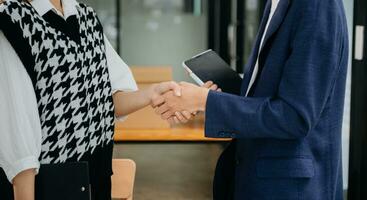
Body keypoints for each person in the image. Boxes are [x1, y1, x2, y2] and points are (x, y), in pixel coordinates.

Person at [0, 0, 213, 199]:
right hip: (47, 185)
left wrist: (153, 93)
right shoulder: (11, 20)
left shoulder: (86, 17)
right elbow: (17, 132)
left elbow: (110, 100)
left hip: (96, 179)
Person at [154, 0, 349, 199]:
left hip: (289, 189)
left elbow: (294, 116)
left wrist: (205, 101)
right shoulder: (275, 4)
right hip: (259, 179)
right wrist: (219, 95)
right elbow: (270, 94)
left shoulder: (317, 5)